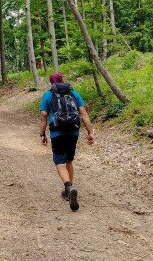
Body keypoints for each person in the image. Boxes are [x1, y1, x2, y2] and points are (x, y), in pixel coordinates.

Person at [39, 72, 95, 211]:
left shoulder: (48, 94)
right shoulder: (74, 93)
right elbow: (83, 113)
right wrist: (90, 132)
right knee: (69, 160)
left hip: (57, 132)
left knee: (59, 161)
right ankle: (69, 189)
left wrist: (42, 134)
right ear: (63, 80)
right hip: (73, 131)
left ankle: (68, 187)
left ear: (51, 83)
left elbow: (43, 116)